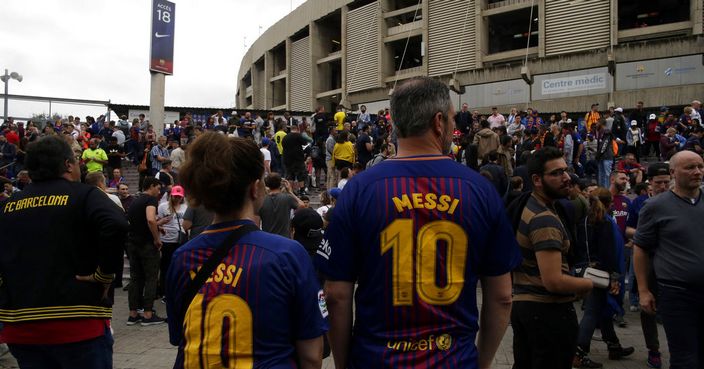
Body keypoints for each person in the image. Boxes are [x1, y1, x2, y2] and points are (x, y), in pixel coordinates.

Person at [319, 77, 521, 369]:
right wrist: (482, 361)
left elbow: (337, 295)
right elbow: (502, 297)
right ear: (438, 122)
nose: (454, 126)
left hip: (376, 359)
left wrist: (343, 363)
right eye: (452, 119)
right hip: (454, 359)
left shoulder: (358, 190)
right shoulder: (480, 190)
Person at [165, 132, 327, 369]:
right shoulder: (288, 255)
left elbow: (180, 337)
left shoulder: (183, 257)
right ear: (254, 188)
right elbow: (312, 355)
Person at [0, 135, 127, 369]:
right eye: (77, 159)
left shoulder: (9, 204)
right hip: (77, 323)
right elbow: (117, 224)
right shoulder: (85, 195)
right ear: (68, 165)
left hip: (21, 326)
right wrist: (104, 274)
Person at [511, 147, 595, 369]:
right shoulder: (543, 219)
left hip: (527, 310)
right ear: (537, 180)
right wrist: (593, 283)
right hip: (547, 314)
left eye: (565, 171)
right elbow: (554, 281)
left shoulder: (533, 204)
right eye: (556, 173)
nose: (566, 178)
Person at [634, 150, 704, 369]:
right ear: (674, 172)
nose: (697, 172)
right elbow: (641, 249)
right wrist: (643, 291)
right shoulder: (655, 206)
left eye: (700, 166)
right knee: (684, 358)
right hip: (677, 294)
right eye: (690, 167)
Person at [573, 187, 634, 368]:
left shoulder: (584, 221)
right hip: (603, 274)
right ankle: (578, 352)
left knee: (602, 310)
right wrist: (614, 278)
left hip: (589, 272)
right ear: (609, 204)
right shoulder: (605, 223)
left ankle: (613, 345)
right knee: (592, 312)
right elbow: (609, 253)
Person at [126, 177, 167, 326]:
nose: (159, 191)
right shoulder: (150, 200)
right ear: (151, 186)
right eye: (158, 188)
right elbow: (150, 219)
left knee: (135, 278)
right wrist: (157, 239)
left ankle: (133, 314)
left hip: (132, 243)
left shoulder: (135, 201)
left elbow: (140, 221)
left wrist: (157, 225)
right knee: (151, 278)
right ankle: (148, 315)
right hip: (146, 246)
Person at [156, 185, 187, 302]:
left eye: (179, 196)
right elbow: (156, 221)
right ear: (170, 195)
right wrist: (160, 225)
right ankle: (164, 292)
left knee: (178, 267)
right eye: (175, 196)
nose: (177, 198)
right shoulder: (163, 206)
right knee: (165, 267)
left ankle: (176, 290)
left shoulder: (185, 207)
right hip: (167, 241)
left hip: (180, 240)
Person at [258, 173, 304, 238]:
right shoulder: (287, 198)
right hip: (284, 239)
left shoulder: (261, 200)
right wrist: (290, 191)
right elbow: (302, 206)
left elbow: (256, 223)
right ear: (280, 184)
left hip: (267, 239)